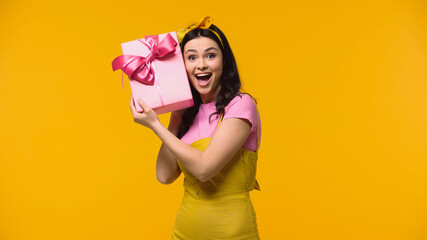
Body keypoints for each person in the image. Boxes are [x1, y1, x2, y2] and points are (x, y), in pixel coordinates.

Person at [129, 16, 261, 240]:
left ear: (224, 61)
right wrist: (176, 116)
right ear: (182, 67)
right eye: (191, 57)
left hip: (231, 232)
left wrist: (154, 125)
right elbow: (164, 175)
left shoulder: (240, 105)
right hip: (185, 231)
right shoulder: (186, 114)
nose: (201, 64)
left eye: (210, 55)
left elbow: (204, 169)